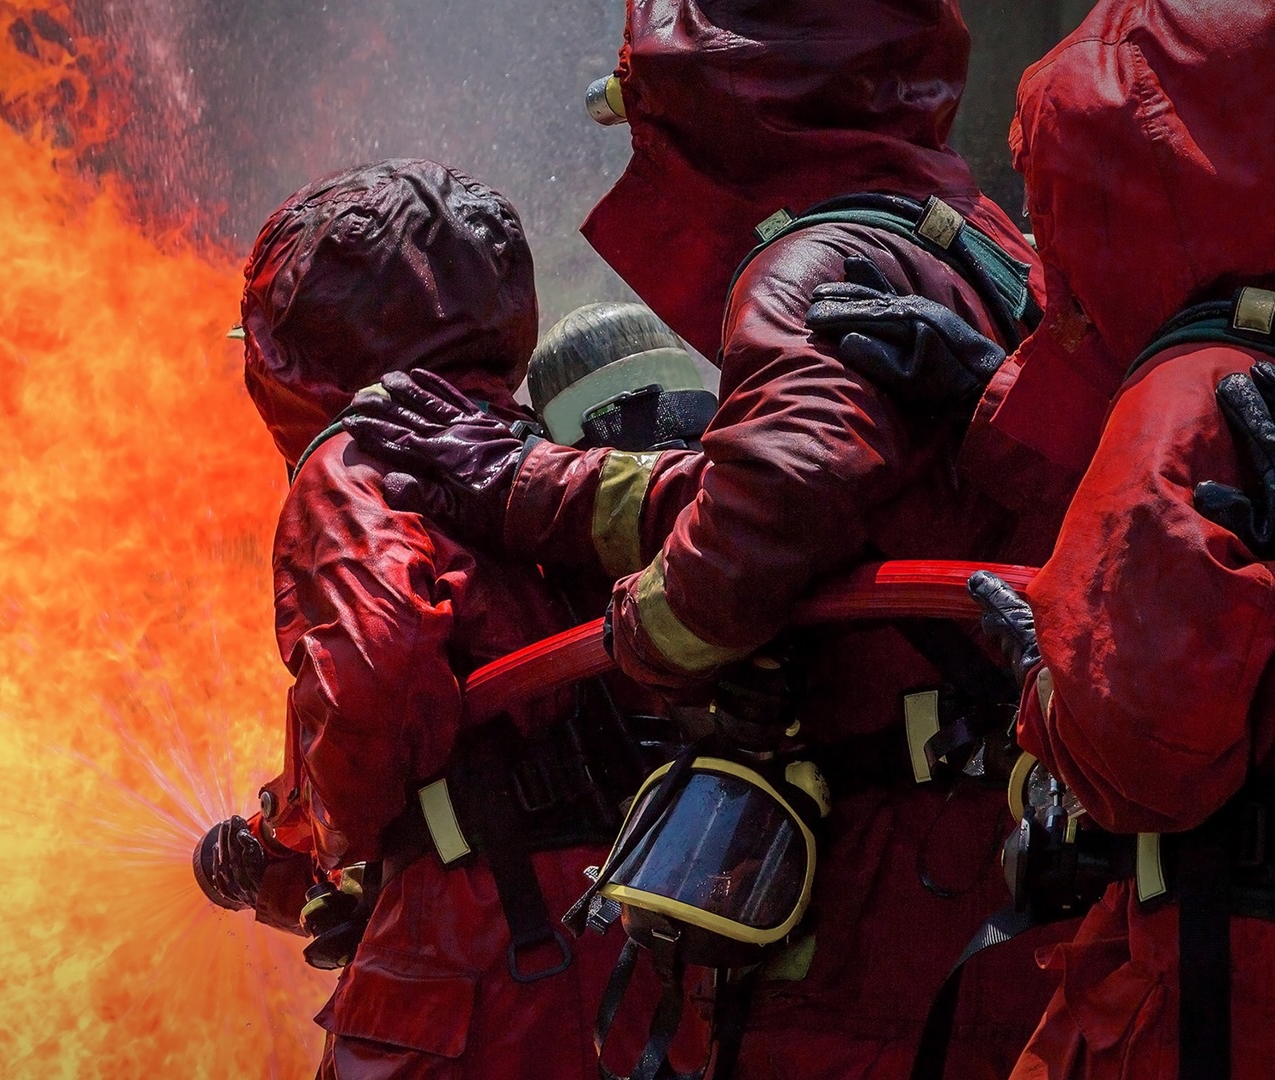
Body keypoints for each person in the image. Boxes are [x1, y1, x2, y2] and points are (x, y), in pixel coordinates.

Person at [342, 3, 1071, 1076]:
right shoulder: (979, 236)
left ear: (718, 113)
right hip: (1014, 847)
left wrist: (640, 636)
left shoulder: (811, 260)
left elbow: (765, 513)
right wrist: (527, 486)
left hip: (896, 881)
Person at [809, 3, 1275, 1075]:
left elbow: (1141, 753)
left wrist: (1045, 679)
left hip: (1203, 989)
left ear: (1120, 185)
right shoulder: (1247, 354)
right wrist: (995, 391)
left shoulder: (1185, 387)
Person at [206, 158, 669, 1079]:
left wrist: (322, 840)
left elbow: (371, 686)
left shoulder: (357, 461)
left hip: (470, 959)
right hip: (627, 925)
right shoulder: (533, 447)